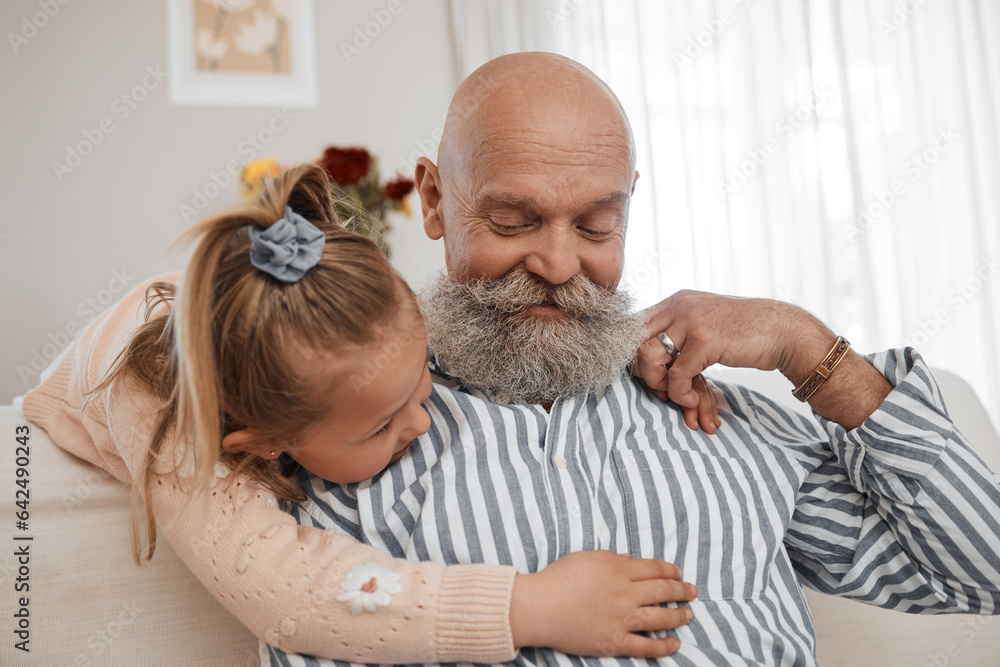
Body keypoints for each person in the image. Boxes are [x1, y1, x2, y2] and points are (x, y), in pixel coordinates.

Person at [265, 53, 1000, 666]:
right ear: (432, 200)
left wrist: (809, 345)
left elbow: (981, 571)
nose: (558, 263)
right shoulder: (351, 429)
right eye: (513, 220)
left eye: (596, 224)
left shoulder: (715, 414)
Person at [23, 162, 735, 663]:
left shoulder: (344, 320)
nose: (422, 424)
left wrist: (624, 348)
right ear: (266, 443)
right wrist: (531, 606)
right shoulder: (177, 427)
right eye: (380, 426)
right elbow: (287, 592)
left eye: (421, 385)